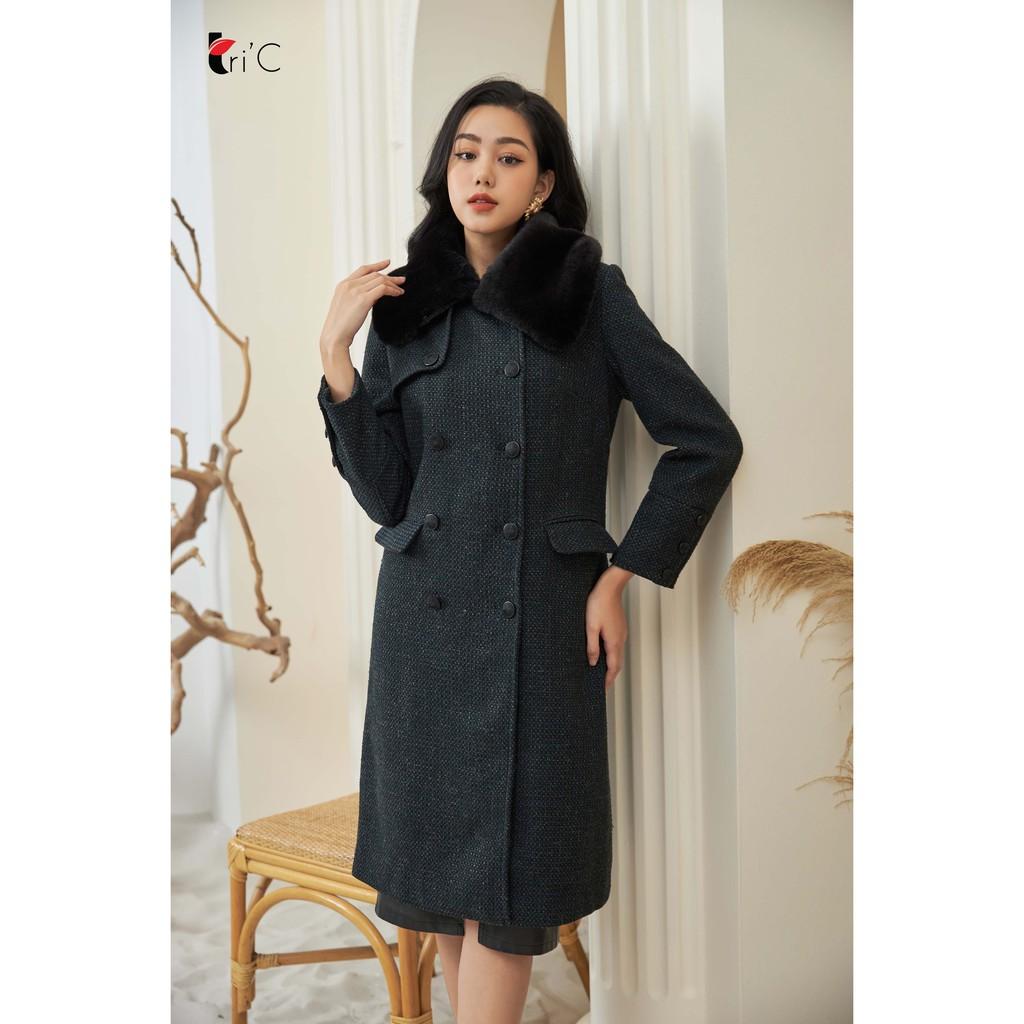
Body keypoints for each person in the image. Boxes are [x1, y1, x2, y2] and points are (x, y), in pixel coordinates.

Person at [316, 77, 743, 1024]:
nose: (483, 172)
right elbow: (387, 494)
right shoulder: (402, 306)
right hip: (421, 628)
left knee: (509, 901)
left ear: (542, 185)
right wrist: (337, 361)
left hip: (543, 624)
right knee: (443, 892)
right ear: (445, 171)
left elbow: (704, 440)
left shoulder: (589, 293)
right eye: (466, 153)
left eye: (509, 157)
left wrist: (618, 576)